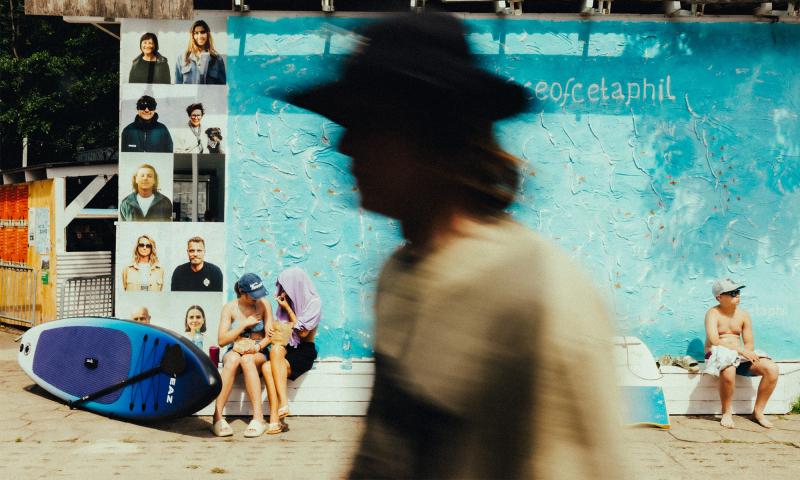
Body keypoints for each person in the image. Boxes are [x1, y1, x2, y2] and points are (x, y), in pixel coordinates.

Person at [286, 14, 622, 479]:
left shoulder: (537, 300)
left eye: (368, 121)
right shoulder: (400, 273)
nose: (345, 145)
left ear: (431, 131)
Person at [704, 279, 779, 429]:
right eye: (733, 293)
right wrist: (740, 350)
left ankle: (758, 412)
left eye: (738, 292)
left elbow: (749, 342)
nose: (737, 295)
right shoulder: (713, 313)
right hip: (716, 354)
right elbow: (714, 340)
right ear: (720, 297)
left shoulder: (743, 315)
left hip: (739, 356)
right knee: (729, 368)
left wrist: (746, 352)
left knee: (772, 368)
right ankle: (726, 412)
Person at [210, 273, 275, 437]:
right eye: (253, 296)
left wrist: (258, 346)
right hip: (235, 348)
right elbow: (222, 340)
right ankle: (217, 416)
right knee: (232, 359)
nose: (257, 299)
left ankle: (258, 419)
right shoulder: (230, 307)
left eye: (259, 294)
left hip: (257, 350)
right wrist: (244, 324)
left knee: (246, 360)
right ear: (242, 292)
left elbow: (270, 335)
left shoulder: (264, 304)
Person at [261, 267, 321, 434]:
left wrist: (287, 308)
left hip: (304, 350)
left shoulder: (314, 303)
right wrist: (272, 331)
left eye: (286, 286)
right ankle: (281, 408)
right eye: (282, 287)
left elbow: (302, 333)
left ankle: (277, 413)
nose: (284, 291)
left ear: (297, 285)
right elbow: (283, 333)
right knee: (274, 350)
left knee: (267, 367)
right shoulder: (286, 303)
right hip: (287, 348)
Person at [175, 20, 226, 85]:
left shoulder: (217, 59)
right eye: (196, 33)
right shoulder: (182, 56)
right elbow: (177, 84)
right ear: (192, 36)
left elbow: (222, 87)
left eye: (202, 32)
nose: (199, 36)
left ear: (207, 34)